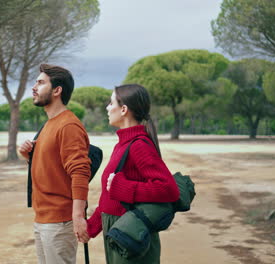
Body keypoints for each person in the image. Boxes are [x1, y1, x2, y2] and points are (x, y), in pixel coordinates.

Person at [86, 84, 180, 264]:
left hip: (131, 236)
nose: (107, 107)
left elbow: (169, 189)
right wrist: (92, 227)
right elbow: (110, 198)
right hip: (118, 233)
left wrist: (123, 187)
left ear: (123, 109)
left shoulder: (139, 145)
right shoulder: (122, 144)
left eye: (110, 102)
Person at [18, 64, 91, 264]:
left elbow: (80, 172)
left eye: (40, 83)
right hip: (43, 218)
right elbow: (51, 171)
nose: (34, 87)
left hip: (60, 222)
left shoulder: (68, 125)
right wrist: (28, 157)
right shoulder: (49, 124)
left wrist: (78, 217)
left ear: (57, 90)